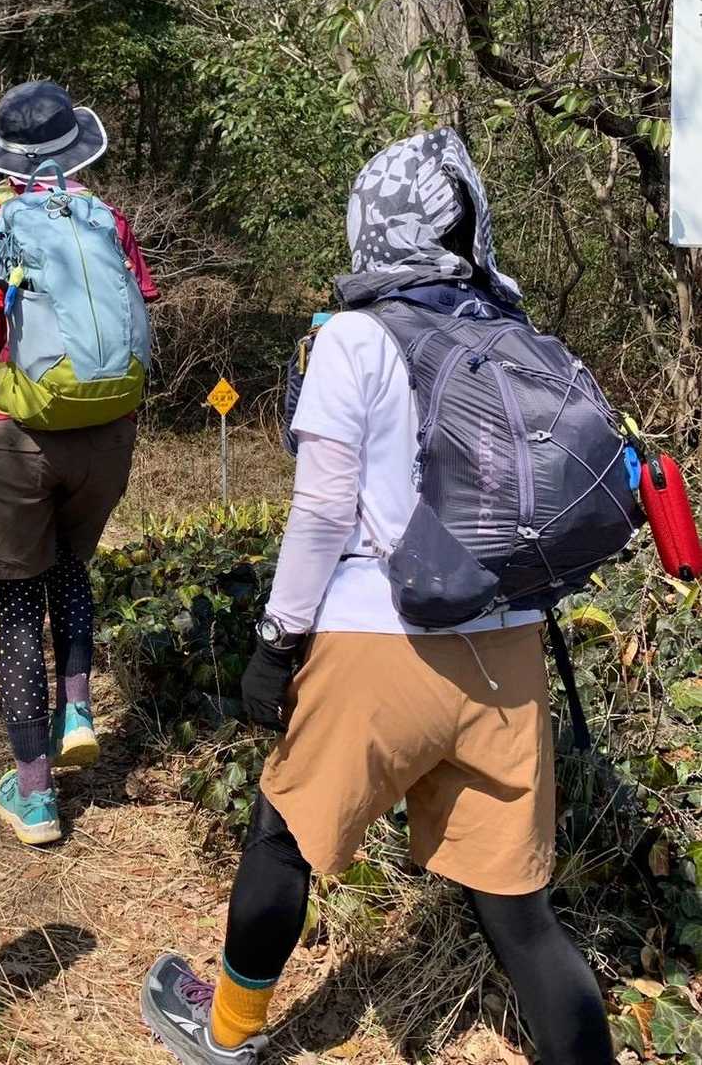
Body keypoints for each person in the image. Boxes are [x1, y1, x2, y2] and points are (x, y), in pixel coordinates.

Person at [142, 128, 614, 1065]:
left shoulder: (353, 336)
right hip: (507, 652)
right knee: (519, 914)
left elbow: (322, 510)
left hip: (378, 641)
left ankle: (225, 1029)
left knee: (282, 834)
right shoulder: (513, 333)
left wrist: (276, 642)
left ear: (370, 224)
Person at [0, 80, 158, 846]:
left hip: (18, 429)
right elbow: (135, 316)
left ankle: (34, 795)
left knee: (19, 602)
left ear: (3, 152)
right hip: (105, 434)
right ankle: (77, 708)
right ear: (73, 144)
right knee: (70, 568)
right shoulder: (104, 218)